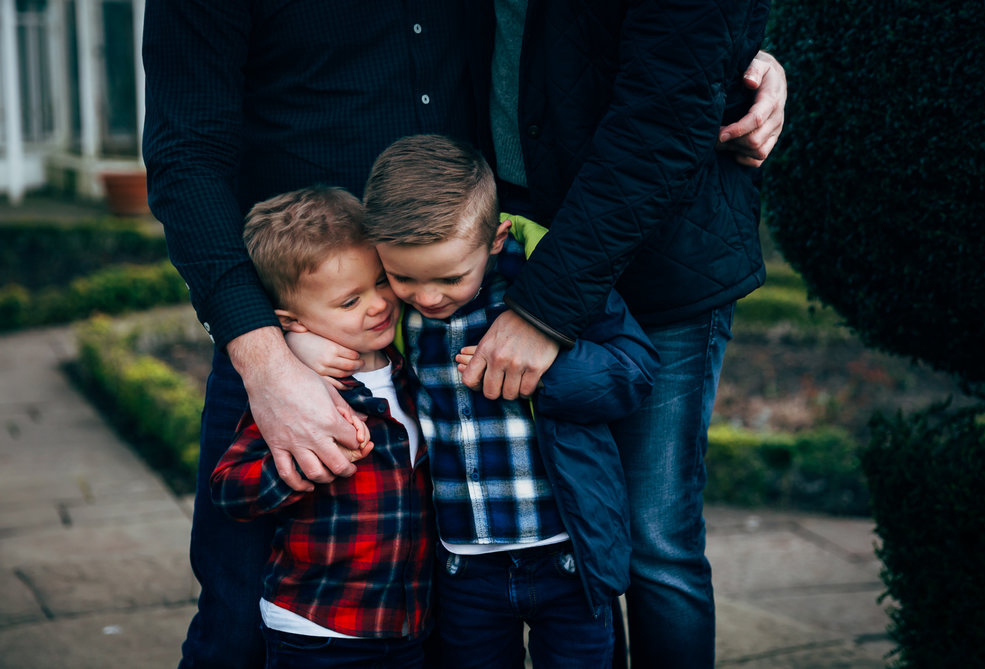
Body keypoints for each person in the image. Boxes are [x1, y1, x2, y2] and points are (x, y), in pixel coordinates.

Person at [141, 1, 785, 665]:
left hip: (466, 295)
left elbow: (581, 42)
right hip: (298, 325)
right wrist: (266, 359)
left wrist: (727, 63)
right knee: (238, 613)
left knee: (454, 604)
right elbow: (184, 151)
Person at [459, 2, 779, 667]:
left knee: (654, 541)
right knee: (568, 538)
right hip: (516, 243)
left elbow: (664, 115)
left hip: (663, 262)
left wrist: (543, 310)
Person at [289, 133, 658, 667]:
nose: (429, 296)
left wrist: (546, 372)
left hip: (568, 555)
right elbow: (333, 319)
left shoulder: (546, 282)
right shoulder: (394, 313)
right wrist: (302, 340)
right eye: (404, 276)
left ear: (496, 237)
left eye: (451, 277)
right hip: (464, 568)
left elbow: (634, 371)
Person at [209, 186, 432, 668]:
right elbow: (229, 489)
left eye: (382, 281)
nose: (378, 305)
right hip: (318, 628)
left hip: (407, 622)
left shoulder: (410, 366)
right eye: (350, 301)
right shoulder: (300, 390)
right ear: (293, 322)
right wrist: (304, 466)